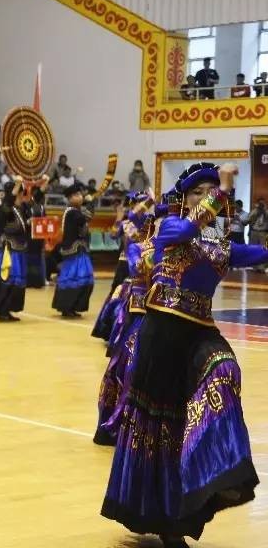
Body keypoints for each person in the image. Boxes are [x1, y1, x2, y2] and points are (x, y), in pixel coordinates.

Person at [101, 163, 265, 548]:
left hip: (198, 333)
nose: (206, 196)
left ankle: (223, 466)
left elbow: (258, 251)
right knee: (162, 429)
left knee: (225, 369)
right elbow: (190, 227)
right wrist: (220, 191)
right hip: (161, 332)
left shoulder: (221, 244)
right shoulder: (168, 229)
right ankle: (168, 523)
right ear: (185, 199)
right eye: (198, 191)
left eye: (210, 191)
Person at [94, 191, 170, 446]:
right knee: (129, 367)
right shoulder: (141, 243)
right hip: (140, 316)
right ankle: (124, 424)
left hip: (166, 321)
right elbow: (137, 263)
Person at [0, 177, 46, 321]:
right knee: (8, 278)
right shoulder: (5, 209)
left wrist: (44, 183)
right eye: (18, 193)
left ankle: (8, 309)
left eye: (21, 193)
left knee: (17, 280)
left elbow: (35, 199)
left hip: (20, 250)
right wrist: (17, 183)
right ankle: (0, 309)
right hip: (9, 250)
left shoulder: (22, 208)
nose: (20, 196)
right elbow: (8, 202)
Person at [92, 192, 151, 340]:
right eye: (139, 203)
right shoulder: (125, 224)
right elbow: (112, 235)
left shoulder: (150, 223)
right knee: (117, 293)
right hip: (124, 263)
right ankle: (110, 329)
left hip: (142, 264)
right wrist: (118, 218)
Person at [51, 182, 96, 317]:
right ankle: (67, 307)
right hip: (73, 252)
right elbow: (86, 217)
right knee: (74, 278)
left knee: (83, 278)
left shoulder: (75, 211)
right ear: (70, 198)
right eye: (77, 195)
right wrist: (90, 203)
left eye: (80, 194)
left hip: (79, 251)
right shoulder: (71, 212)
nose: (80, 197)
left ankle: (73, 306)